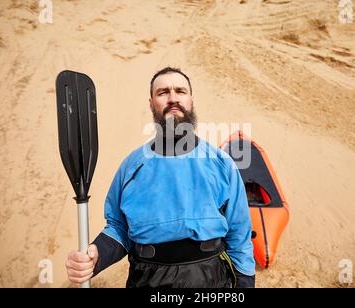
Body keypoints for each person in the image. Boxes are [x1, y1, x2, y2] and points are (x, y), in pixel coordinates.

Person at [65, 67, 255, 288]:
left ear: (191, 100)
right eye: (163, 92)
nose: (173, 98)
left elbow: (239, 235)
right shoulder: (132, 166)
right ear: (151, 103)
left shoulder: (221, 164)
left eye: (180, 91)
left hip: (210, 278)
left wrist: (245, 284)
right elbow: (119, 227)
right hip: (147, 278)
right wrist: (96, 255)